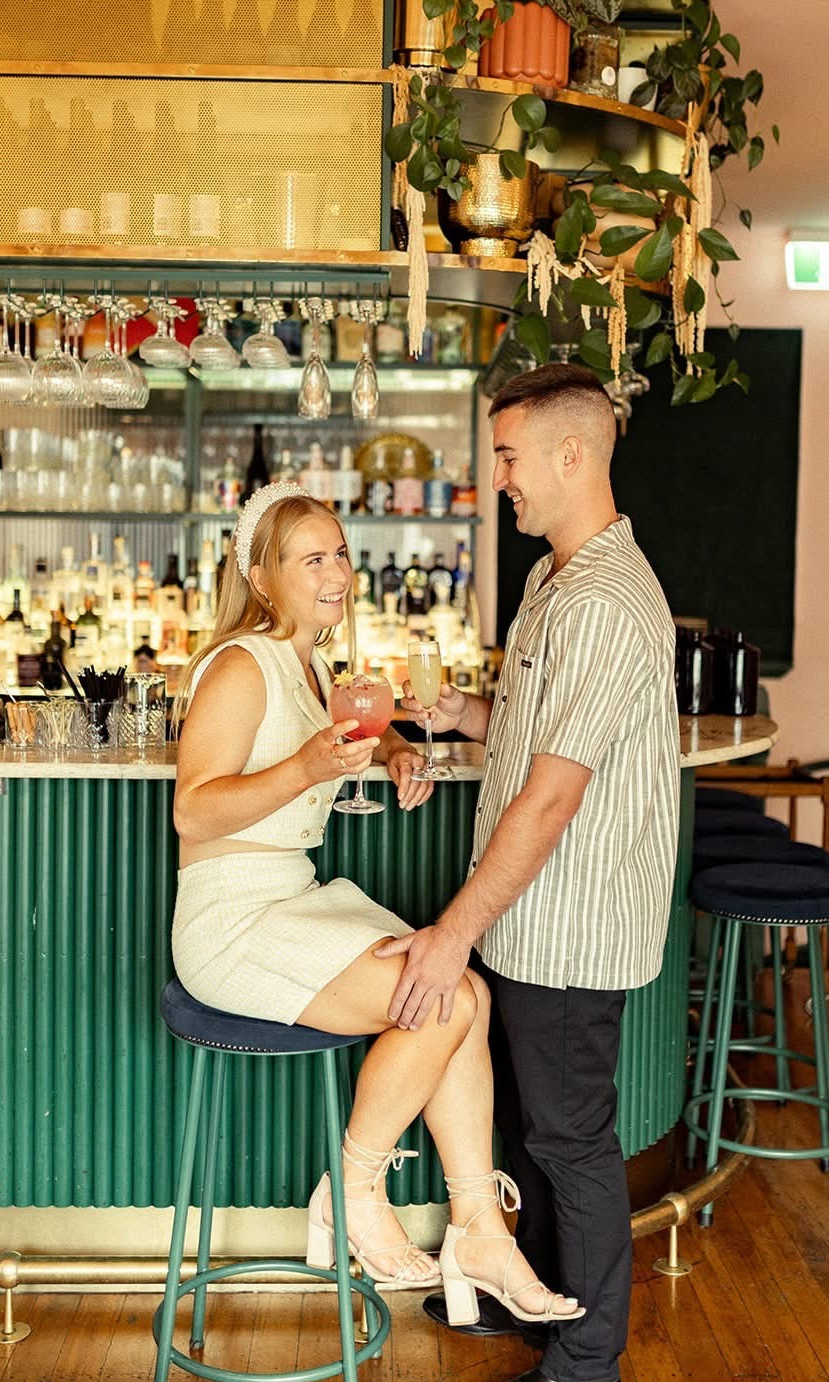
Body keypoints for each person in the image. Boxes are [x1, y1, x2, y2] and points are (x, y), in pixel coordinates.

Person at [171, 480, 579, 1319]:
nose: (337, 573)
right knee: (436, 997)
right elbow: (193, 809)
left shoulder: (309, 661)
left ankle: (477, 1229)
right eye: (310, 558)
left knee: (461, 986)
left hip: (293, 896)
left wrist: (394, 751)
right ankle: (354, 1190)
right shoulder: (240, 666)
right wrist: (307, 771)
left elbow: (354, 726)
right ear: (260, 576)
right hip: (231, 920)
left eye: (341, 554)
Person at [388, 365, 680, 1382]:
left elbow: (551, 800)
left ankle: (581, 1379)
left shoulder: (602, 600)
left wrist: (451, 932)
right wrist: (457, 714)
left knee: (569, 1143)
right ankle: (538, 1301)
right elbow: (530, 727)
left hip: (569, 924)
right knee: (530, 1130)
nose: (496, 476)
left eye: (508, 454)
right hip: (531, 919)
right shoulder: (552, 580)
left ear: (571, 456)